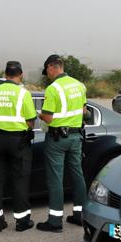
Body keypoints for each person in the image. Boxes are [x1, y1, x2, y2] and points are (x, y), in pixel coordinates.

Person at [0, 61, 37, 233]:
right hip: (18, 141)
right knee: (20, 180)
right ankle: (22, 222)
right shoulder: (23, 93)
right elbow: (30, 120)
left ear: (5, 74)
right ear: (20, 75)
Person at [37, 54, 88, 232]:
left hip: (57, 139)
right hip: (75, 138)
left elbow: (48, 118)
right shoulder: (79, 85)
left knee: (55, 178)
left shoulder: (53, 89)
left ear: (52, 67)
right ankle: (80, 215)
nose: (47, 75)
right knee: (77, 174)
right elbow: (84, 110)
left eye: (47, 71)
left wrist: (39, 114)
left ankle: (55, 221)